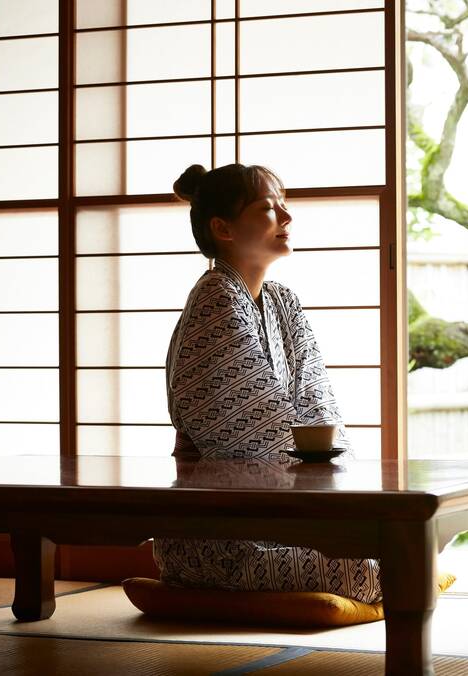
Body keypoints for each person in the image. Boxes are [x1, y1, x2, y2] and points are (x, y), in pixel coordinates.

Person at [153, 163, 382, 604]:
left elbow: (317, 400)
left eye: (284, 205)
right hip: (219, 531)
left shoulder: (283, 300)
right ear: (223, 228)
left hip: (284, 517)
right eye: (267, 208)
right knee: (367, 573)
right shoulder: (216, 298)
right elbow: (248, 426)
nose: (287, 218)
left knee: (393, 551)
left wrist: (343, 493)